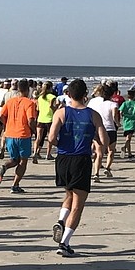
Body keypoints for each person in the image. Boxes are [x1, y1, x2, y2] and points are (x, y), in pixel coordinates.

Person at [48, 79, 106, 257]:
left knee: (69, 194)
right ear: (85, 94)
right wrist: (95, 142)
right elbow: (105, 141)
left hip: (63, 158)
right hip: (81, 159)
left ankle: (61, 220)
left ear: (68, 94)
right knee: (78, 205)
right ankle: (64, 243)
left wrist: (62, 145)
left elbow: (51, 138)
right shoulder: (93, 114)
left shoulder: (61, 112)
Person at [0, 79, 37, 193]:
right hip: (23, 134)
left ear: (18, 89)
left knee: (14, 160)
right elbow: (30, 120)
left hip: (10, 134)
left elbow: (0, 116)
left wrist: (7, 124)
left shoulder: (10, 101)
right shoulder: (29, 103)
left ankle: (4, 167)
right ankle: (15, 184)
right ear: (27, 90)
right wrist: (34, 130)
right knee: (23, 161)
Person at [87, 83, 119, 180]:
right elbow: (114, 116)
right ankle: (108, 168)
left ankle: (96, 173)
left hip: (98, 128)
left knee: (99, 152)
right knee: (111, 151)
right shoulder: (113, 104)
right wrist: (117, 123)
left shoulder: (93, 102)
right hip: (110, 128)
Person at [33, 81, 57, 162]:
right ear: (50, 88)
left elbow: (37, 109)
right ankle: (48, 154)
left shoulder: (40, 97)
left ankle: (35, 153)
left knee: (38, 138)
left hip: (41, 118)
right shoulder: (52, 97)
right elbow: (51, 106)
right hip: (49, 118)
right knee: (50, 137)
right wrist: (55, 109)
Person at [119, 89, 135, 158]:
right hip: (132, 122)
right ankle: (124, 148)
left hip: (125, 122)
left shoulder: (125, 103)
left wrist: (123, 116)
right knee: (128, 138)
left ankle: (129, 153)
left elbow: (120, 111)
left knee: (128, 138)